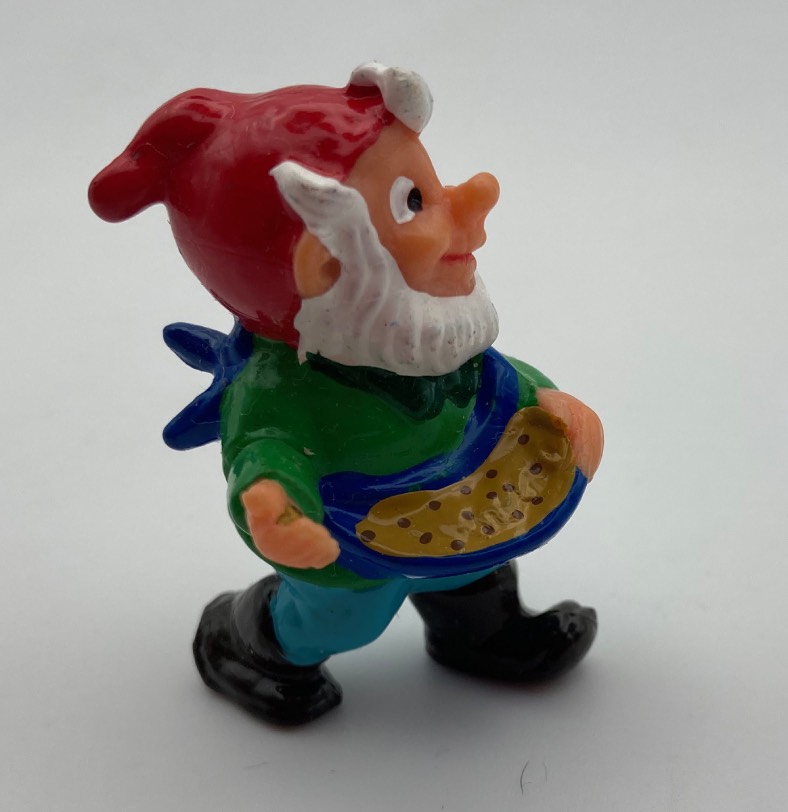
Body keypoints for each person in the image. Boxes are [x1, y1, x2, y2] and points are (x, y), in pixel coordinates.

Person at [89, 62, 604, 725]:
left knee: (475, 570)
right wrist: (275, 508)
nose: (471, 207)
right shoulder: (283, 384)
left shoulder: (430, 334)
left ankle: (481, 632)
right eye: (413, 203)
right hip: (346, 542)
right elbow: (266, 450)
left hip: (464, 501)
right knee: (342, 618)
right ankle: (251, 643)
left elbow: (498, 381)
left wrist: (552, 407)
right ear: (327, 263)